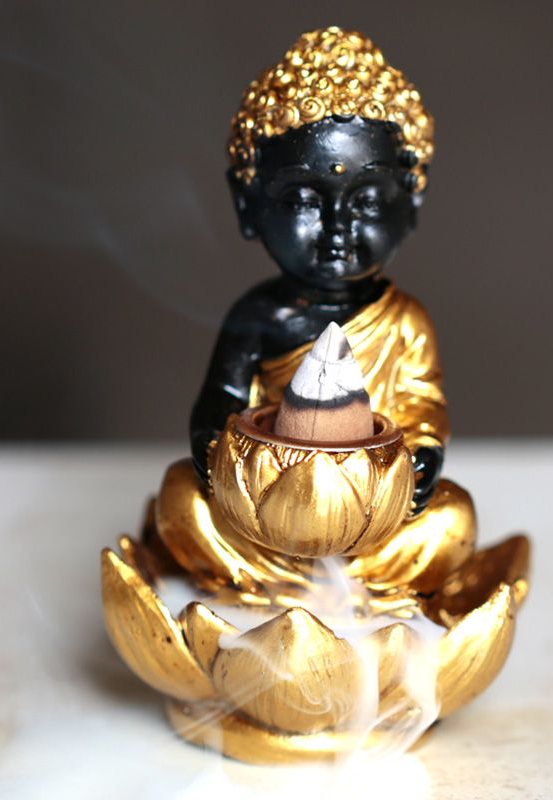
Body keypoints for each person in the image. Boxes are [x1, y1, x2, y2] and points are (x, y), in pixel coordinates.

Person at [158, 27, 476, 599]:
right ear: (247, 204)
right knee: (181, 500)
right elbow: (220, 399)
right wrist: (215, 450)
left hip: (371, 521)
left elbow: (421, 405)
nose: (336, 228)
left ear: (412, 202)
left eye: (368, 200)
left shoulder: (405, 322)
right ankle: (312, 595)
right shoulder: (260, 318)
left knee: (453, 521)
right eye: (303, 199)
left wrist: (423, 457)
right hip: (268, 520)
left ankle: (329, 594)